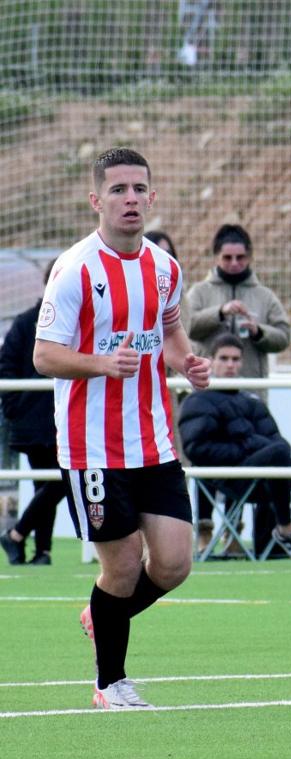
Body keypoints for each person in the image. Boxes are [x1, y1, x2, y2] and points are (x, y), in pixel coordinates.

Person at [33, 148, 212, 709]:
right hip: (93, 447)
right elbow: (43, 355)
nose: (130, 199)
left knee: (176, 562)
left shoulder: (164, 267)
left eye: (139, 189)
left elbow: (172, 329)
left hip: (154, 439)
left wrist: (187, 361)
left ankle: (102, 612)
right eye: (118, 190)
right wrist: (100, 364)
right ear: (97, 201)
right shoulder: (75, 269)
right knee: (124, 564)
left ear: (151, 197)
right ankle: (110, 682)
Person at [177, 333, 291, 558]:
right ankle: (285, 528)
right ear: (211, 360)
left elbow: (277, 441)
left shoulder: (251, 399)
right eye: (224, 358)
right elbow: (196, 449)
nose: (231, 364)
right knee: (278, 453)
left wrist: (251, 444)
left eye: (236, 359)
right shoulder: (197, 400)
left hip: (266, 474)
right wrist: (250, 447)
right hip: (230, 479)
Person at [0, 259, 65, 566]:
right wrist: (17, 407)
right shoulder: (28, 322)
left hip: (62, 419)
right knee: (57, 480)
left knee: (53, 481)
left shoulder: (78, 321)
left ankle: (36, 547)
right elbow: (7, 366)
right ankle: (30, 542)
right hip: (35, 423)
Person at [184, 223, 291, 381]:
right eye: (227, 257)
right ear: (216, 257)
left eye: (240, 257)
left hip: (252, 389)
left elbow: (284, 336)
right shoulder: (199, 292)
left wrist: (259, 332)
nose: (234, 263)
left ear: (249, 257)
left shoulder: (265, 296)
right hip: (207, 387)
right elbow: (185, 326)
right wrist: (219, 313)